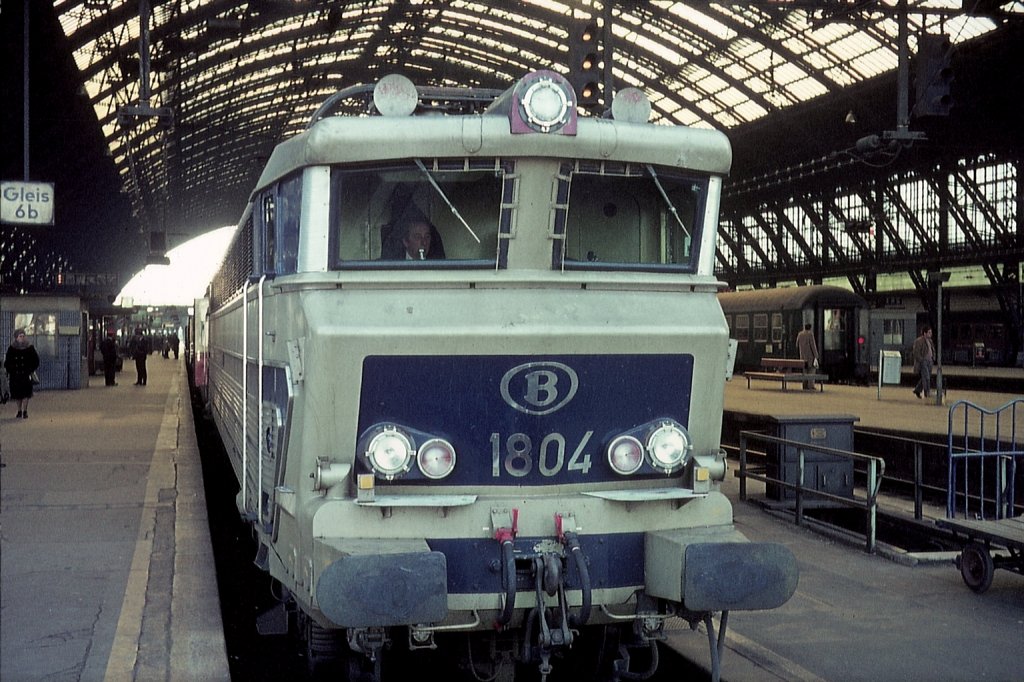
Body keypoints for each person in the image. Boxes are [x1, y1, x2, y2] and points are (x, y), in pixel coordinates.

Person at [4, 329, 41, 419]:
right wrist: (10, 370)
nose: (22, 338)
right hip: (15, 375)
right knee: (17, 394)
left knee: (26, 393)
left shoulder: (29, 348)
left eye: (23, 336)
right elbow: (7, 362)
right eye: (20, 336)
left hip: (25, 374)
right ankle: (19, 410)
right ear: (16, 338)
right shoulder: (12, 348)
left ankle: (25, 411)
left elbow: (36, 360)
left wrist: (31, 369)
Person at [911, 325, 934, 399]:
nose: (931, 334)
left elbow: (932, 349)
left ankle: (918, 390)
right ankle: (927, 393)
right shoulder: (919, 341)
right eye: (929, 332)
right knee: (926, 377)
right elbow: (916, 352)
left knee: (926, 376)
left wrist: (933, 358)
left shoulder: (930, 341)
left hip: (929, 361)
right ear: (925, 333)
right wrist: (921, 360)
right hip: (923, 361)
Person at [796, 323, 819, 390]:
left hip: (802, 357)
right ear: (810, 328)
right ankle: (811, 385)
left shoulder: (800, 334)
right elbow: (813, 345)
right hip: (810, 356)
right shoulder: (810, 334)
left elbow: (796, 344)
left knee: (804, 371)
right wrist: (816, 355)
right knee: (811, 371)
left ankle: (804, 385)